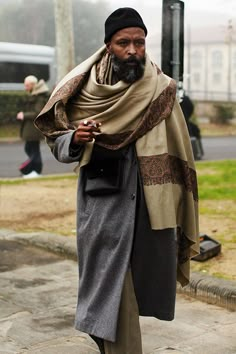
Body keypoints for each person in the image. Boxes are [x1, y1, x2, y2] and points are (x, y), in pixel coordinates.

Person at [35, 7, 199, 354]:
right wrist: (75, 138)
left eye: (139, 42)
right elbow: (56, 139)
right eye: (124, 42)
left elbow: (181, 149)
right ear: (108, 45)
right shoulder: (84, 88)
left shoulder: (161, 89)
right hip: (102, 209)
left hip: (149, 209)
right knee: (108, 296)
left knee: (128, 298)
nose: (133, 50)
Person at [16, 75, 49, 178]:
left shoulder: (38, 97)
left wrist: (24, 115)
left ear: (33, 85)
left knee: (33, 150)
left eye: (27, 85)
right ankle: (32, 170)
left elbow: (37, 113)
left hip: (34, 128)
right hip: (31, 128)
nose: (25, 87)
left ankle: (35, 171)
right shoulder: (35, 94)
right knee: (30, 148)